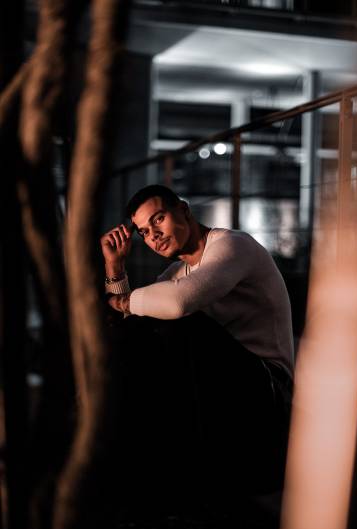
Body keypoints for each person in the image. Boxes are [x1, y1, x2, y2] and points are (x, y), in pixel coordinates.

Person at [101, 184, 294, 499]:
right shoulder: (178, 272)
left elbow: (178, 303)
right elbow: (132, 322)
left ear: (184, 210)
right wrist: (115, 267)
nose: (154, 236)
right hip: (223, 394)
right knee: (143, 332)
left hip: (270, 390)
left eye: (158, 219)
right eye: (144, 232)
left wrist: (117, 302)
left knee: (180, 324)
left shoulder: (233, 245)